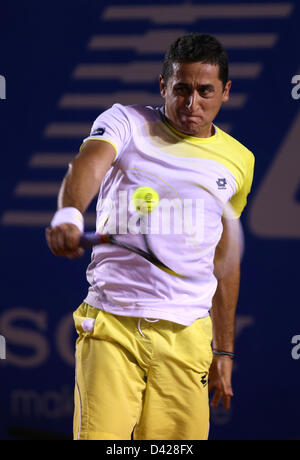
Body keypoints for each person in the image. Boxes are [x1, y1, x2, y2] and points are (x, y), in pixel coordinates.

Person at [46, 33, 255, 440]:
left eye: (205, 91)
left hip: (187, 337)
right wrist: (70, 213)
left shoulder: (239, 161)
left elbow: (223, 260)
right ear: (163, 85)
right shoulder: (126, 121)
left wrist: (224, 351)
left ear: (225, 92)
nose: (191, 103)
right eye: (181, 89)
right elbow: (89, 162)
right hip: (112, 327)